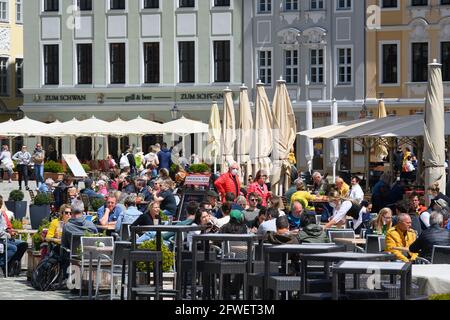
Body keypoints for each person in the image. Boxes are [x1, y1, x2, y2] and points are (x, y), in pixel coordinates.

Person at [0, 200, 28, 276]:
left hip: (5, 237)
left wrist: (10, 232)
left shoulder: (2, 214)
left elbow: (5, 228)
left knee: (23, 244)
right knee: (13, 248)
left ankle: (12, 265)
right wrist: (9, 234)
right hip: (2, 239)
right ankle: (3, 264)